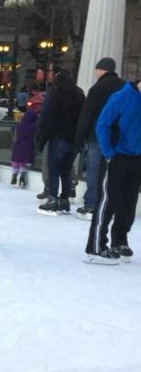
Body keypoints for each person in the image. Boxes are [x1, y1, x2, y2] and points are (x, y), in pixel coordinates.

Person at [86, 78, 141, 264]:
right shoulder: (121, 97)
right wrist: (109, 152)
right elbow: (102, 125)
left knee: (129, 202)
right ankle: (96, 246)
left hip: (137, 158)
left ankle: (120, 240)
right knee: (108, 201)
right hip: (116, 157)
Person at [74, 57, 123, 220]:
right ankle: (112, 205)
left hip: (97, 137)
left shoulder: (97, 89)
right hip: (119, 138)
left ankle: (92, 204)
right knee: (113, 172)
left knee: (94, 171)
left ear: (100, 70)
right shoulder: (124, 87)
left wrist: (79, 137)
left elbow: (86, 115)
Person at [34, 69, 85, 216]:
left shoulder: (54, 93)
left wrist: (42, 137)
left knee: (54, 170)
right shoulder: (79, 94)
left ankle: (53, 199)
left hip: (58, 137)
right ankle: (64, 199)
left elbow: (47, 117)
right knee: (66, 171)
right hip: (74, 139)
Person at [9, 96, 40, 187]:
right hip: (27, 146)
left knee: (15, 163)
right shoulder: (31, 127)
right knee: (23, 163)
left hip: (17, 146)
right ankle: (22, 175)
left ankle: (14, 174)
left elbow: (14, 136)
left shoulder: (19, 126)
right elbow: (38, 123)